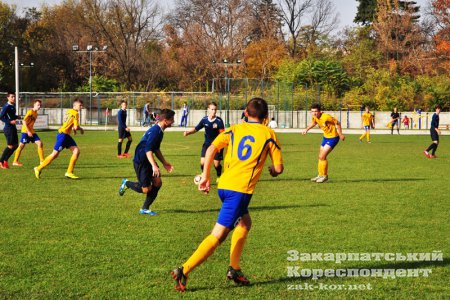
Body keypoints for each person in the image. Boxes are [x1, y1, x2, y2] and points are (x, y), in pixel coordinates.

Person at [171, 97, 284, 292]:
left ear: (245, 113)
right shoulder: (269, 134)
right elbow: (279, 167)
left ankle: (235, 268)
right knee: (218, 235)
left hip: (224, 186)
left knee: (245, 223)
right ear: (266, 116)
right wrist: (273, 171)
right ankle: (184, 269)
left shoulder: (234, 129)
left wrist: (206, 175)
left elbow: (212, 148)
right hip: (239, 192)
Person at [118, 109, 175, 216]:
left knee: (158, 183)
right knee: (146, 189)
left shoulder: (159, 130)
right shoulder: (155, 132)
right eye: (172, 119)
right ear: (166, 120)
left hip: (147, 159)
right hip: (141, 161)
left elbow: (156, 148)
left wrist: (164, 162)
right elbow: (148, 149)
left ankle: (145, 208)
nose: (173, 121)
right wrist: (154, 166)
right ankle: (127, 183)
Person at [34, 99, 84, 179]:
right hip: (63, 136)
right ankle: (38, 168)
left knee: (76, 151)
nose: (81, 107)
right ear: (74, 106)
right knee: (54, 154)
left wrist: (74, 130)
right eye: (80, 105)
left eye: (82, 105)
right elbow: (75, 126)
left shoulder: (69, 111)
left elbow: (71, 124)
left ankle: (69, 172)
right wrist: (80, 129)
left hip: (65, 135)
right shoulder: (76, 113)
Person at [302, 103, 345, 183]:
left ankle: (324, 176)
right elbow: (314, 123)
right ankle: (320, 175)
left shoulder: (326, 117)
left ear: (319, 111)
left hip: (333, 137)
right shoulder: (314, 117)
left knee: (322, 156)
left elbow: (337, 123)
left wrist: (340, 134)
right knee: (320, 157)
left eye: (315, 111)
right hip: (325, 137)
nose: (314, 113)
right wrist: (306, 129)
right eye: (312, 111)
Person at [183, 102, 225, 182]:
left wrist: (222, 145)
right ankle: (204, 175)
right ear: (208, 110)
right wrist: (188, 132)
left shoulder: (219, 121)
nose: (214, 111)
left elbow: (222, 135)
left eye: (215, 109)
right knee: (202, 162)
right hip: (207, 144)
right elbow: (196, 129)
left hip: (217, 145)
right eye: (212, 109)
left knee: (216, 165)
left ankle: (219, 175)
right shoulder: (204, 120)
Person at [13, 99, 45, 166]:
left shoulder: (36, 114)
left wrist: (30, 131)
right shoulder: (30, 112)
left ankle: (42, 161)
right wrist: (28, 131)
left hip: (31, 131)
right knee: (21, 146)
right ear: (34, 105)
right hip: (25, 131)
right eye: (38, 105)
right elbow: (24, 121)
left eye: (40, 105)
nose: (39, 106)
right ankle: (15, 161)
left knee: (40, 143)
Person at [0, 92, 19, 169]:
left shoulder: (13, 106)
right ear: (8, 98)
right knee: (10, 146)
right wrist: (10, 121)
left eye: (14, 97)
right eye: (12, 97)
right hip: (8, 129)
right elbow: (1, 117)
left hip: (13, 128)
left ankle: (5, 160)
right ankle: (1, 161)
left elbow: (12, 116)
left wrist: (17, 117)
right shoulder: (6, 106)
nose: (13, 98)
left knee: (16, 145)